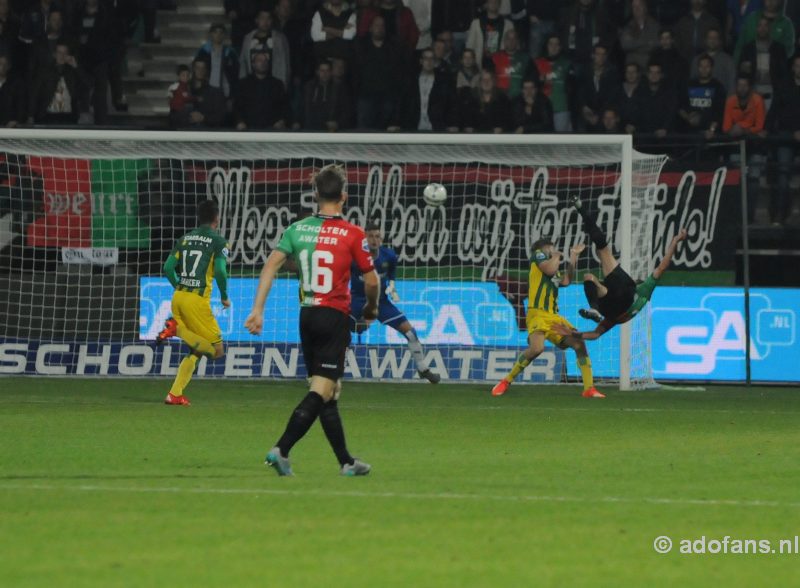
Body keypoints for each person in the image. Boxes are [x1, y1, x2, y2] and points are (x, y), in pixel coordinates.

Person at [245, 164, 379, 477]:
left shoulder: (297, 229)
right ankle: (281, 449)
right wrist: (371, 308)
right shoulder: (353, 234)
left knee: (330, 391)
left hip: (307, 315)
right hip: (334, 317)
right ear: (344, 197)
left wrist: (257, 309)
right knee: (321, 389)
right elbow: (371, 281)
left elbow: (270, 267)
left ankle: (346, 461)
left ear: (316, 195)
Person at [554, 196, 687, 342]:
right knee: (589, 277)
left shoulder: (643, 292)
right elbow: (595, 335)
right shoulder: (626, 312)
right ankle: (594, 309)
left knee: (602, 249)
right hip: (612, 311)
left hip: (623, 296)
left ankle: (581, 208)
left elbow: (661, 268)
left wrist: (675, 241)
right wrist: (570, 333)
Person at [490, 239, 603, 399]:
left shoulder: (552, 271)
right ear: (545, 249)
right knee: (537, 349)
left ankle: (589, 388)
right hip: (537, 313)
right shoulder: (538, 256)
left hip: (553, 317)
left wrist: (573, 256)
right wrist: (556, 256)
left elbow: (566, 281)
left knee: (579, 343)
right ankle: (505, 381)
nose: (554, 250)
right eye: (552, 248)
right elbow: (549, 269)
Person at [155, 200, 230, 407]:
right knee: (217, 351)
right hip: (197, 302)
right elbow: (221, 271)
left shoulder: (185, 238)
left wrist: (179, 287)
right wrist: (224, 295)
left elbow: (168, 267)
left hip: (178, 297)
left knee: (196, 351)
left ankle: (175, 394)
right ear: (217, 218)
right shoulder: (218, 242)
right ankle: (176, 330)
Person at [350, 222, 440, 383]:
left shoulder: (389, 256)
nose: (374, 240)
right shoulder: (354, 257)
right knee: (340, 331)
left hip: (381, 302)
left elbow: (391, 275)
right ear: (364, 239)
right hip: (358, 301)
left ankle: (423, 368)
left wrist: (392, 287)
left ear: (381, 238)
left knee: (410, 332)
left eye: (377, 236)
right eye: (370, 236)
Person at [234, 50, 290, 130]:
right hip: (248, 129)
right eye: (259, 60)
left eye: (265, 60)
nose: (263, 63)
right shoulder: (243, 84)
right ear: (253, 64)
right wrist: (239, 122)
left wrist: (281, 121)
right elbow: (237, 107)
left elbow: (285, 106)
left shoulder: (277, 84)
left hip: (272, 130)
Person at [680, 53, 726, 137]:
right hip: (689, 133)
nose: (704, 69)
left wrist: (712, 130)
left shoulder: (718, 87)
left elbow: (720, 112)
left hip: (709, 132)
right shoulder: (689, 84)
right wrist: (688, 117)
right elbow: (680, 106)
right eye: (701, 66)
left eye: (707, 66)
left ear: (712, 68)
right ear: (698, 68)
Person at [535, 34, 573, 132]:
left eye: (556, 44)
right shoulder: (537, 63)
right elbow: (531, 86)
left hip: (561, 108)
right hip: (541, 108)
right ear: (546, 46)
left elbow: (572, 88)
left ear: (560, 47)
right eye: (551, 44)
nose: (554, 47)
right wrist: (540, 81)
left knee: (561, 142)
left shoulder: (567, 63)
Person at [303, 58, 352, 131]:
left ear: (331, 72)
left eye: (327, 71)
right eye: (322, 71)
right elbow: (303, 107)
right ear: (317, 72)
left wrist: (338, 123)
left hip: (332, 129)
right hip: (311, 127)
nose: (325, 74)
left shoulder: (338, 88)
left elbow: (346, 110)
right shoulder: (309, 87)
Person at [195, 23, 239, 99]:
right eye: (215, 32)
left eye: (221, 32)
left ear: (224, 35)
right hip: (207, 91)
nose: (218, 35)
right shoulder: (203, 51)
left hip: (225, 92)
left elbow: (235, 73)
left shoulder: (230, 52)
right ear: (211, 34)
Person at [466, 0, 513, 67]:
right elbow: (470, 45)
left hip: (501, 63)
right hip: (480, 63)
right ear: (486, 4)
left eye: (496, 2)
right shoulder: (476, 23)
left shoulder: (508, 24)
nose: (493, 4)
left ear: (499, 5)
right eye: (491, 2)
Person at [690, 27, 735, 94]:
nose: (712, 40)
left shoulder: (728, 61)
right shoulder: (697, 60)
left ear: (719, 41)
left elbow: (732, 84)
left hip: (721, 100)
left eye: (715, 38)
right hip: (700, 99)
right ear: (705, 40)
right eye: (710, 38)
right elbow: (692, 82)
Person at [619, 0, 660, 70]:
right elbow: (625, 45)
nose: (637, 9)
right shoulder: (628, 26)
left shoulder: (655, 25)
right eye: (634, 7)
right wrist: (647, 43)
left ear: (645, 7)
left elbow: (656, 44)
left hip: (649, 67)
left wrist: (634, 44)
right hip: (632, 67)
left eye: (639, 6)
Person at [0, 53, 26, 126]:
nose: (2, 67)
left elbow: (20, 104)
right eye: (0, 63)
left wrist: (16, 120)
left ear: (9, 66)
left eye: (5, 64)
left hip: (9, 124)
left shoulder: (16, 84)